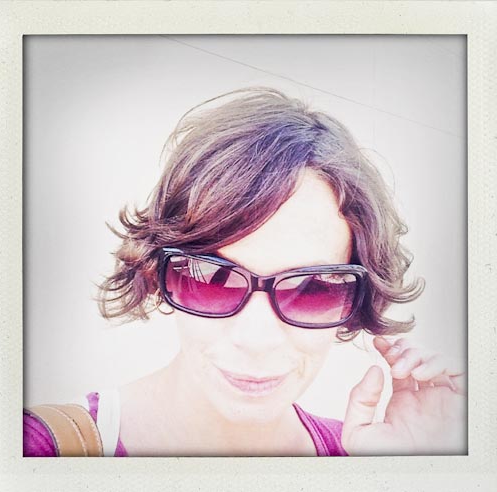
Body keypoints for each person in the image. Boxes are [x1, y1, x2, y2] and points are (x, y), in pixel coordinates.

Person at [23, 87, 466, 457]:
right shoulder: (38, 452)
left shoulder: (361, 455)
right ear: (158, 275)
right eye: (212, 279)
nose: (256, 339)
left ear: (355, 303)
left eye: (314, 289)